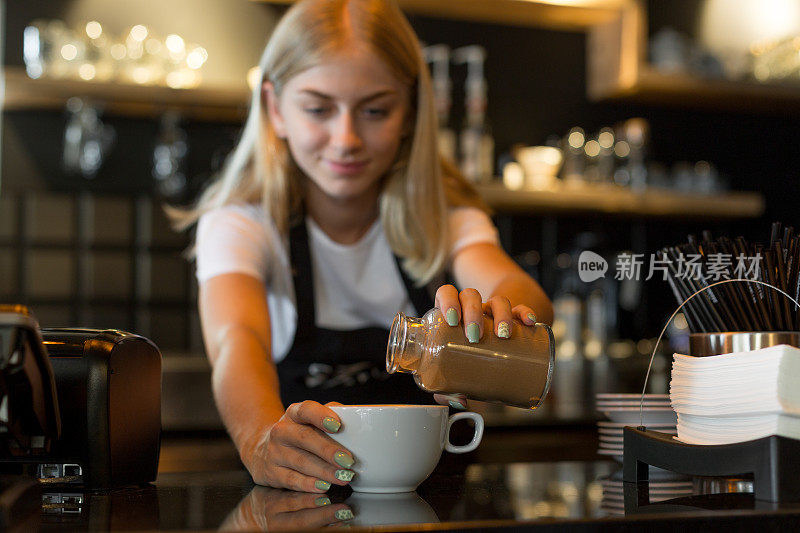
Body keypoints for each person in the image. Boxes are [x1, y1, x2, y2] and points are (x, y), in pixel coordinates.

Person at [171, 0, 552, 494]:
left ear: (411, 113)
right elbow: (236, 342)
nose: (346, 138)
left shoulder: (443, 211)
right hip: (301, 496)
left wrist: (510, 314)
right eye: (317, 109)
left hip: (433, 499)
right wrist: (261, 439)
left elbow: (512, 285)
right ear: (274, 109)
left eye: (374, 110)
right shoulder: (243, 221)